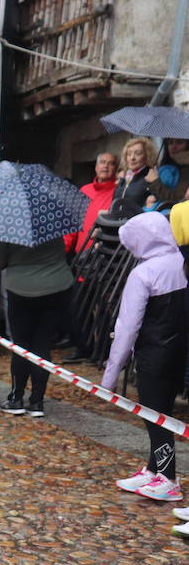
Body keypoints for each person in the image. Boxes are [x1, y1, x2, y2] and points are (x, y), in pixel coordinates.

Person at [102, 212, 187, 503]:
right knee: (163, 412)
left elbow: (127, 327)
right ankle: (154, 470)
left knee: (156, 417)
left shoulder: (144, 273)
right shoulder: (181, 262)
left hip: (154, 354)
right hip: (179, 353)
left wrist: (110, 376)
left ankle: (168, 478)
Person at [0, 237, 74, 418]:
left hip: (21, 289)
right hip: (56, 286)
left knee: (21, 345)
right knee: (42, 343)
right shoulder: (53, 218)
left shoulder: (6, 226)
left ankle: (16, 397)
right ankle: (37, 401)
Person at [110, 137, 167, 217]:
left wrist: (155, 181)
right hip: (115, 224)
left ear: (147, 155)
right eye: (129, 154)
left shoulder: (151, 176)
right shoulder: (124, 178)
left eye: (138, 153)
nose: (132, 158)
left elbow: (163, 200)